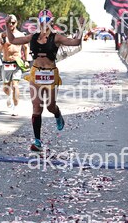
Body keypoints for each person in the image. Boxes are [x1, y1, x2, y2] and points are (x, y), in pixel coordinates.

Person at [6, 9, 83, 152]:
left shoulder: (56, 37)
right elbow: (13, 40)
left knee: (50, 106)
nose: (44, 23)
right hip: (36, 73)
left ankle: (57, 114)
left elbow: (76, 42)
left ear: (51, 22)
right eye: (42, 20)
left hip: (51, 74)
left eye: (47, 20)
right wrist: (7, 26)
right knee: (37, 107)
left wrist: (80, 28)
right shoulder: (33, 37)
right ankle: (37, 141)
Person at [0, 14, 25, 116]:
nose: (11, 24)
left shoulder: (20, 35)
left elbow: (26, 47)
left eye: (13, 22)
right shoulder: (3, 34)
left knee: (15, 85)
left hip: (17, 62)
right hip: (6, 63)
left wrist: (27, 59)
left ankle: (16, 107)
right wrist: (2, 44)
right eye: (8, 22)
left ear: (16, 23)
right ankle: (10, 96)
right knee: (6, 88)